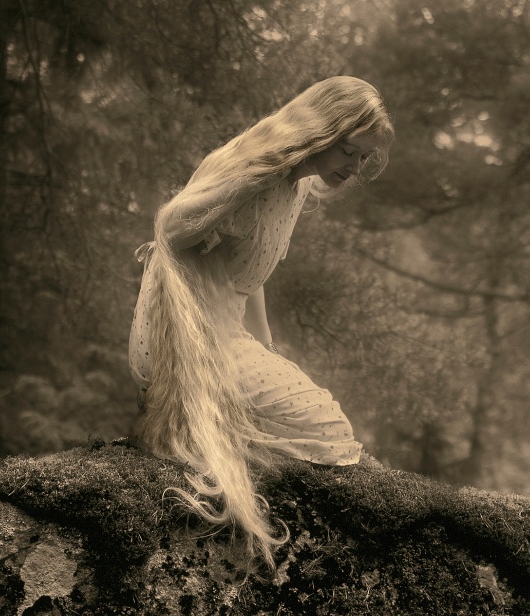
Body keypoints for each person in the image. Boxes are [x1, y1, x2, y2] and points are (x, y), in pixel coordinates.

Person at [128, 77, 394, 569]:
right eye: (348, 152)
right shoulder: (258, 176)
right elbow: (172, 230)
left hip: (227, 333)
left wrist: (266, 346)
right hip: (188, 343)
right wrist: (230, 193)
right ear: (320, 132)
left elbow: (249, 276)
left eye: (364, 159)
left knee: (328, 428)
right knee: (330, 431)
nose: (354, 168)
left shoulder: (293, 186)